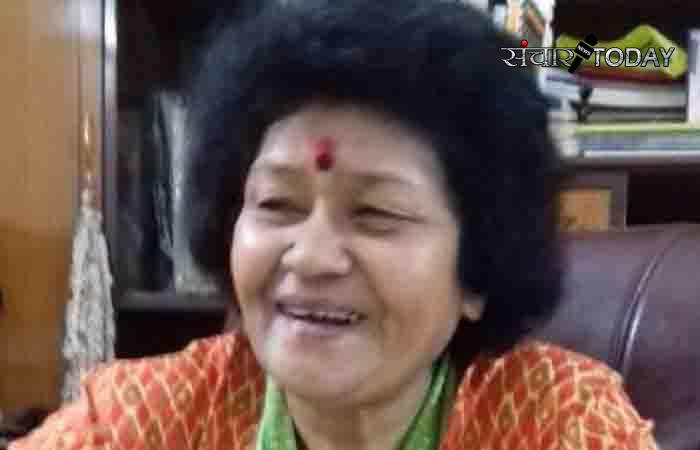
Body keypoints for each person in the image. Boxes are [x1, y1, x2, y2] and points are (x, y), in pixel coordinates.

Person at [11, 1, 660, 449]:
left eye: (376, 214)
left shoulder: (559, 420)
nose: (311, 257)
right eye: (276, 205)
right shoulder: (137, 421)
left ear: (479, 271)